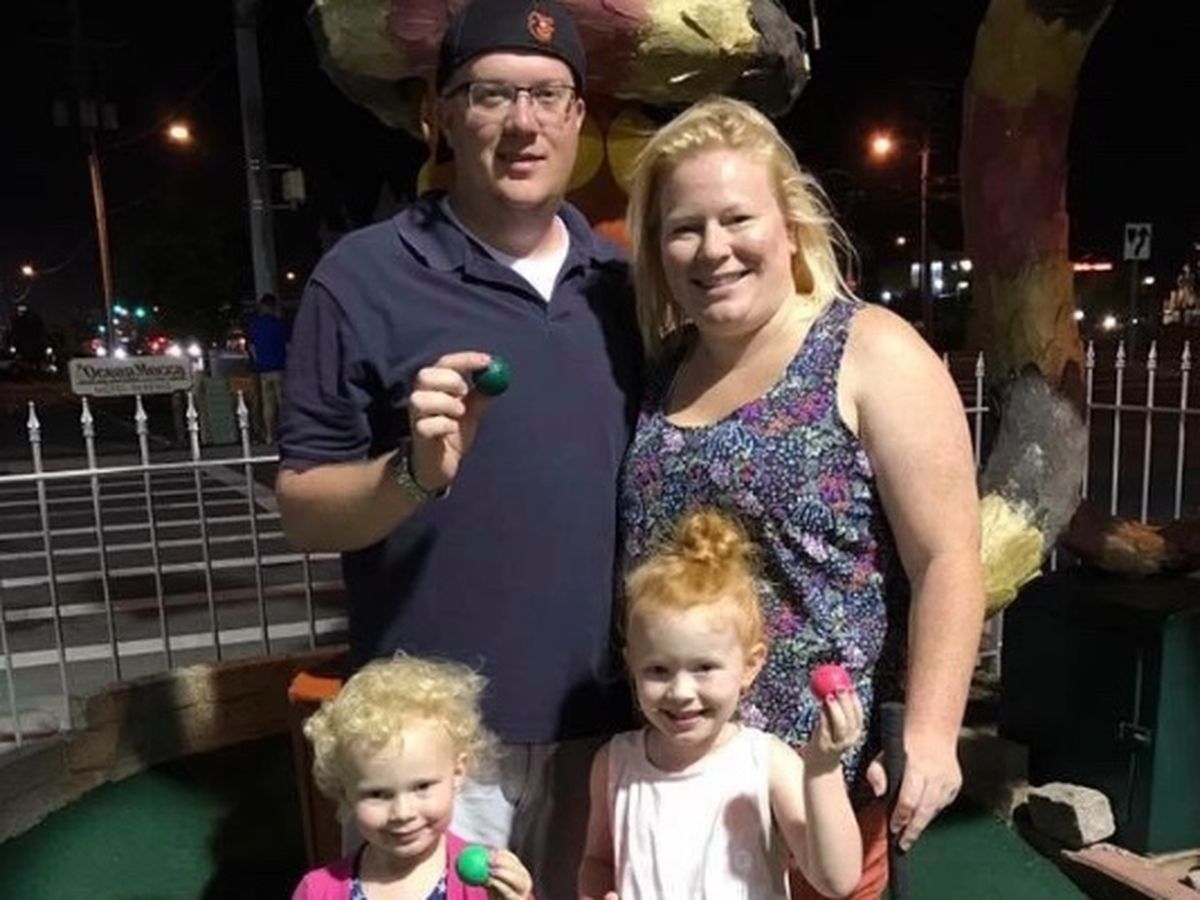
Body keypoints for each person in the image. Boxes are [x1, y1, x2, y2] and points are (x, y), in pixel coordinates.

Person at [275, 2, 640, 896]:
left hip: (605, 721)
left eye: (547, 95)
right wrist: (412, 473)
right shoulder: (361, 279)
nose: (523, 122)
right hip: (435, 749)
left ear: (578, 118)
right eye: (491, 94)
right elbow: (304, 508)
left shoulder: (626, 286)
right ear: (439, 112)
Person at [619, 97, 985, 899]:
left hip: (818, 806)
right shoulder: (664, 367)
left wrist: (931, 732)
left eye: (736, 219)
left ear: (789, 226)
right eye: (684, 228)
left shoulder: (870, 350)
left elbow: (948, 556)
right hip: (682, 798)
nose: (713, 248)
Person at [579, 509, 864, 900]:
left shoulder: (766, 762)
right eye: (658, 670)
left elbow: (837, 880)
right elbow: (598, 861)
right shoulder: (614, 764)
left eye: (704, 668)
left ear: (749, 666)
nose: (681, 691)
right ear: (631, 665)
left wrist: (823, 769)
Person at [292, 655, 534, 900]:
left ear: (457, 773)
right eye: (377, 794)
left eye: (422, 786)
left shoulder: (485, 885)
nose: (402, 813)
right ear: (345, 792)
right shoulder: (318, 892)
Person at [247, 292, 288, 444]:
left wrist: (259, 362)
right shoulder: (280, 324)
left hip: (264, 370)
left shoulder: (255, 326)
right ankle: (286, 434)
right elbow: (288, 346)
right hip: (280, 368)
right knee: (283, 403)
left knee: (267, 404)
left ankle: (270, 435)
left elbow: (252, 348)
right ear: (273, 307)